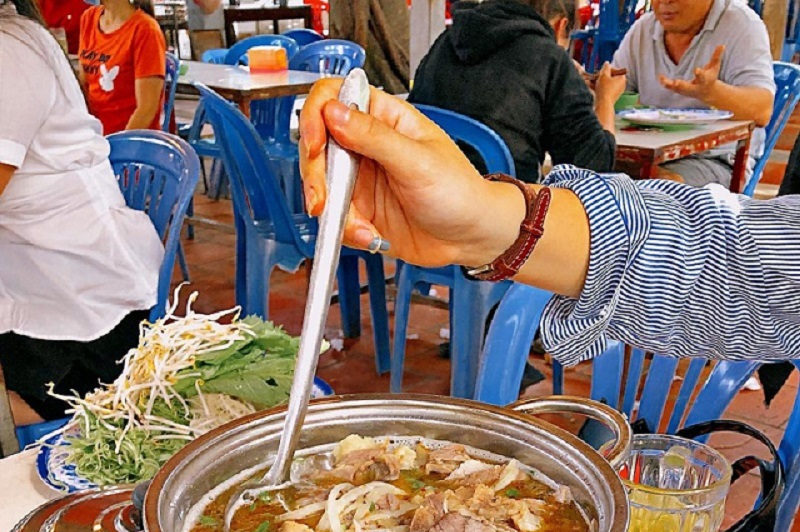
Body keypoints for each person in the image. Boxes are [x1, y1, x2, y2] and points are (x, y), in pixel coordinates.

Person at [298, 79, 800, 367]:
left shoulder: (449, 44)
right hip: (455, 219)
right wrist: (479, 218)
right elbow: (739, 267)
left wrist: (482, 214)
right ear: (561, 24)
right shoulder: (565, 56)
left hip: (478, 220)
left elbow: (738, 270)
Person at [0, 0, 163, 421]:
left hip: (79, 304)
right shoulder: (78, 24)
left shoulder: (10, 51)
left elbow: (146, 105)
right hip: (34, 280)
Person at [408, 0, 624, 183]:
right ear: (560, 26)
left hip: (423, 203)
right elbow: (593, 172)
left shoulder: (445, 42)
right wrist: (605, 99)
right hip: (502, 219)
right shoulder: (549, 59)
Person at [611, 0, 774, 187]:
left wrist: (712, 93)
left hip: (714, 160)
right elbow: (616, 90)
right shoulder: (643, 29)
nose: (665, 2)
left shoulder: (742, 24)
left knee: (657, 189)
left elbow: (763, 110)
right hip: (647, 157)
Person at [79, 0, 166, 136]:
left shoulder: (146, 30)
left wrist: (117, 146)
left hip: (130, 142)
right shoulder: (88, 18)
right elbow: (83, 85)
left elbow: (146, 110)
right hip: (94, 136)